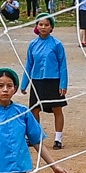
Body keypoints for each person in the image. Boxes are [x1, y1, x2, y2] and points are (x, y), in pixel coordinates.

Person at [22, 15, 70, 148]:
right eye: (40, 24)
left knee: (57, 109)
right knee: (34, 110)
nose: (43, 27)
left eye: (46, 25)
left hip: (53, 81)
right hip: (37, 81)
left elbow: (63, 65)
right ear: (36, 26)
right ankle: (35, 137)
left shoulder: (57, 44)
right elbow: (29, 65)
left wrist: (63, 84)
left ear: (51, 27)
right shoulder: (33, 44)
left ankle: (58, 139)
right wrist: (24, 84)